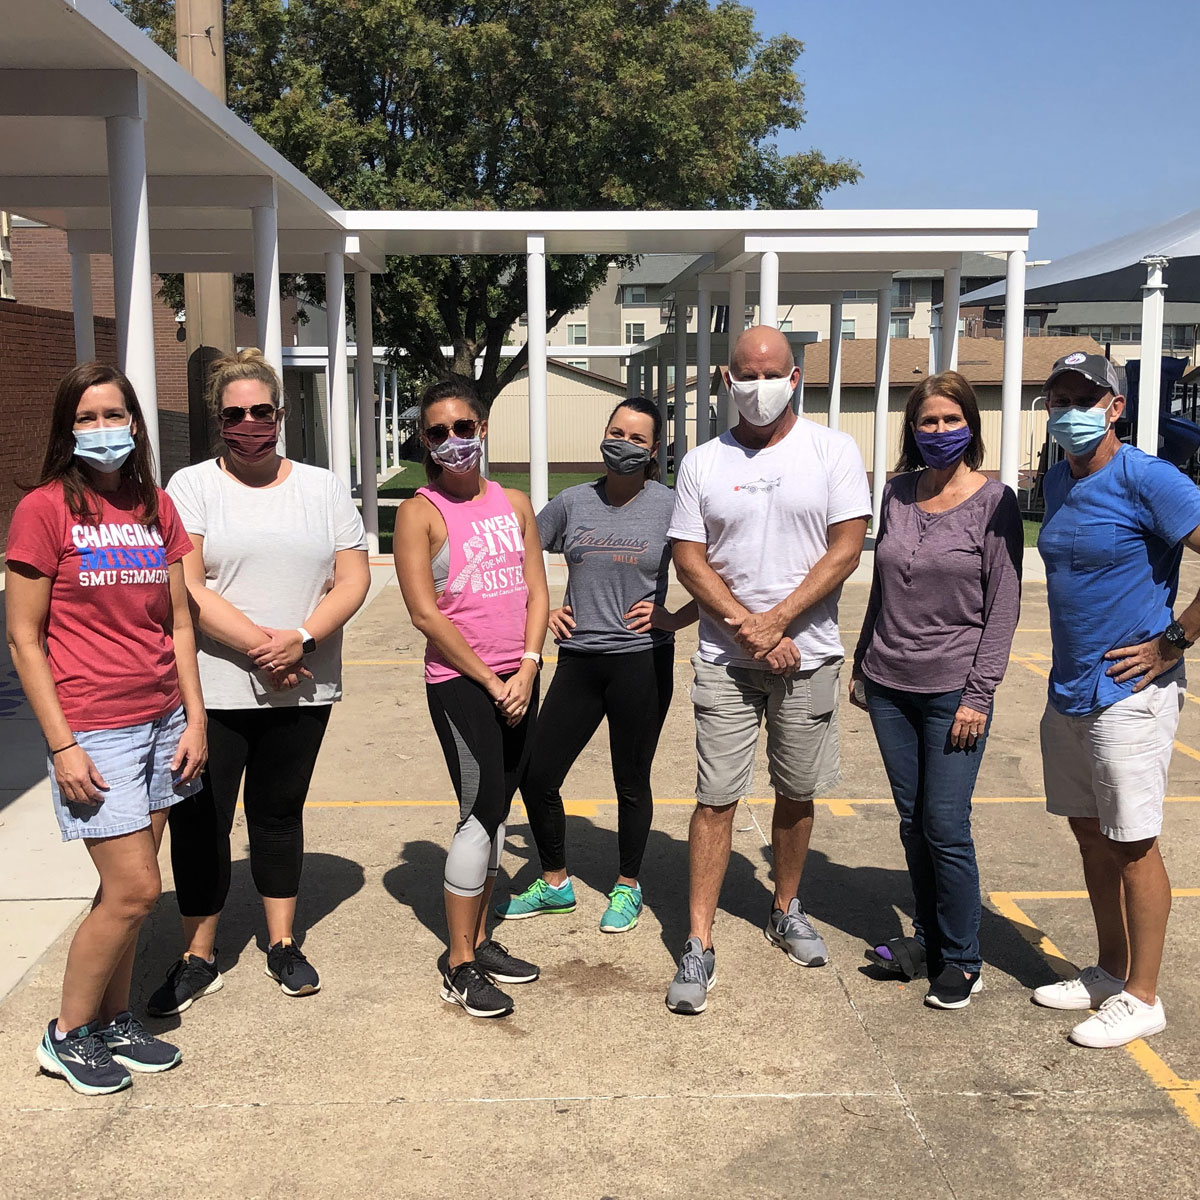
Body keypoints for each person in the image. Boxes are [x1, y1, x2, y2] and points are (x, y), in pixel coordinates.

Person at [146, 349, 370, 1016]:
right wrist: (264, 649)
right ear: (218, 420)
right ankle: (198, 954)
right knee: (202, 822)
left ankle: (282, 943)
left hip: (302, 683)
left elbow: (352, 577)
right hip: (212, 688)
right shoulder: (191, 487)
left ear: (282, 412)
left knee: (278, 814)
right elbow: (188, 588)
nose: (249, 424)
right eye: (234, 414)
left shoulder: (323, 488)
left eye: (261, 411)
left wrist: (300, 639)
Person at [5, 363, 206, 1095]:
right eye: (86, 417)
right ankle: (65, 1036)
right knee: (135, 889)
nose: (101, 429)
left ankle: (113, 1020)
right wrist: (62, 744)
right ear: (67, 429)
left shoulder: (155, 505)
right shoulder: (45, 511)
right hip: (95, 728)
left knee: (127, 895)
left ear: (134, 423)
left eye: (113, 414)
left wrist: (195, 717)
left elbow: (179, 622)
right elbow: (24, 638)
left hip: (162, 720)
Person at [664, 325, 871, 1014]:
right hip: (726, 659)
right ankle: (698, 940)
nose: (759, 387)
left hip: (808, 655)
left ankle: (785, 906)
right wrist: (750, 631)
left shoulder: (833, 451)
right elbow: (689, 559)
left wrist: (778, 620)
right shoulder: (702, 463)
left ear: (795, 377)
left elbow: (847, 547)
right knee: (715, 797)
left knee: (797, 791)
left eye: (772, 373)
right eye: (746, 375)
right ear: (726, 380)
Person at [1030, 351, 1200, 1048]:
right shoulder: (1058, 480)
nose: (1070, 411)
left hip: (1131, 691)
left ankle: (1144, 995)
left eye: (1085, 399)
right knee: (1090, 833)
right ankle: (1110, 969)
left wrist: (1173, 642)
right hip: (1070, 686)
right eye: (1059, 398)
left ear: (1116, 408)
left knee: (1133, 843)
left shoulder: (1148, 478)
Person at [851, 371, 1023, 1009]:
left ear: (971, 426)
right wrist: (863, 661)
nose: (940, 430)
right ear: (912, 430)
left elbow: (1003, 605)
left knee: (946, 825)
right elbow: (882, 585)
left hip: (955, 689)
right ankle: (925, 939)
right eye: (929, 421)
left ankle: (963, 958)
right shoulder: (896, 492)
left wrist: (980, 694)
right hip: (890, 684)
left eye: (952, 420)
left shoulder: (995, 501)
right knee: (913, 822)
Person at [494, 397, 697, 933]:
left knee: (630, 779)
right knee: (538, 773)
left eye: (637, 438)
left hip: (641, 662)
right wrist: (542, 608)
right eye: (616, 433)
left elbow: (719, 572)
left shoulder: (671, 506)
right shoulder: (572, 502)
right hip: (579, 660)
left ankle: (628, 885)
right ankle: (555, 882)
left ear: (654, 450)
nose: (623, 444)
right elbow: (516, 559)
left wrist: (675, 619)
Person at [394, 377, 549, 1019]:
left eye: (463, 427)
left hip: (521, 676)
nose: (454, 440)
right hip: (463, 683)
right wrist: (491, 681)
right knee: (479, 810)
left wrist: (529, 668)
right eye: (439, 432)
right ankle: (458, 964)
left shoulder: (514, 503)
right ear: (425, 441)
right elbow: (424, 615)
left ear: (481, 428)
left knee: (499, 808)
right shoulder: (419, 512)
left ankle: (481, 941)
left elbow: (537, 591)